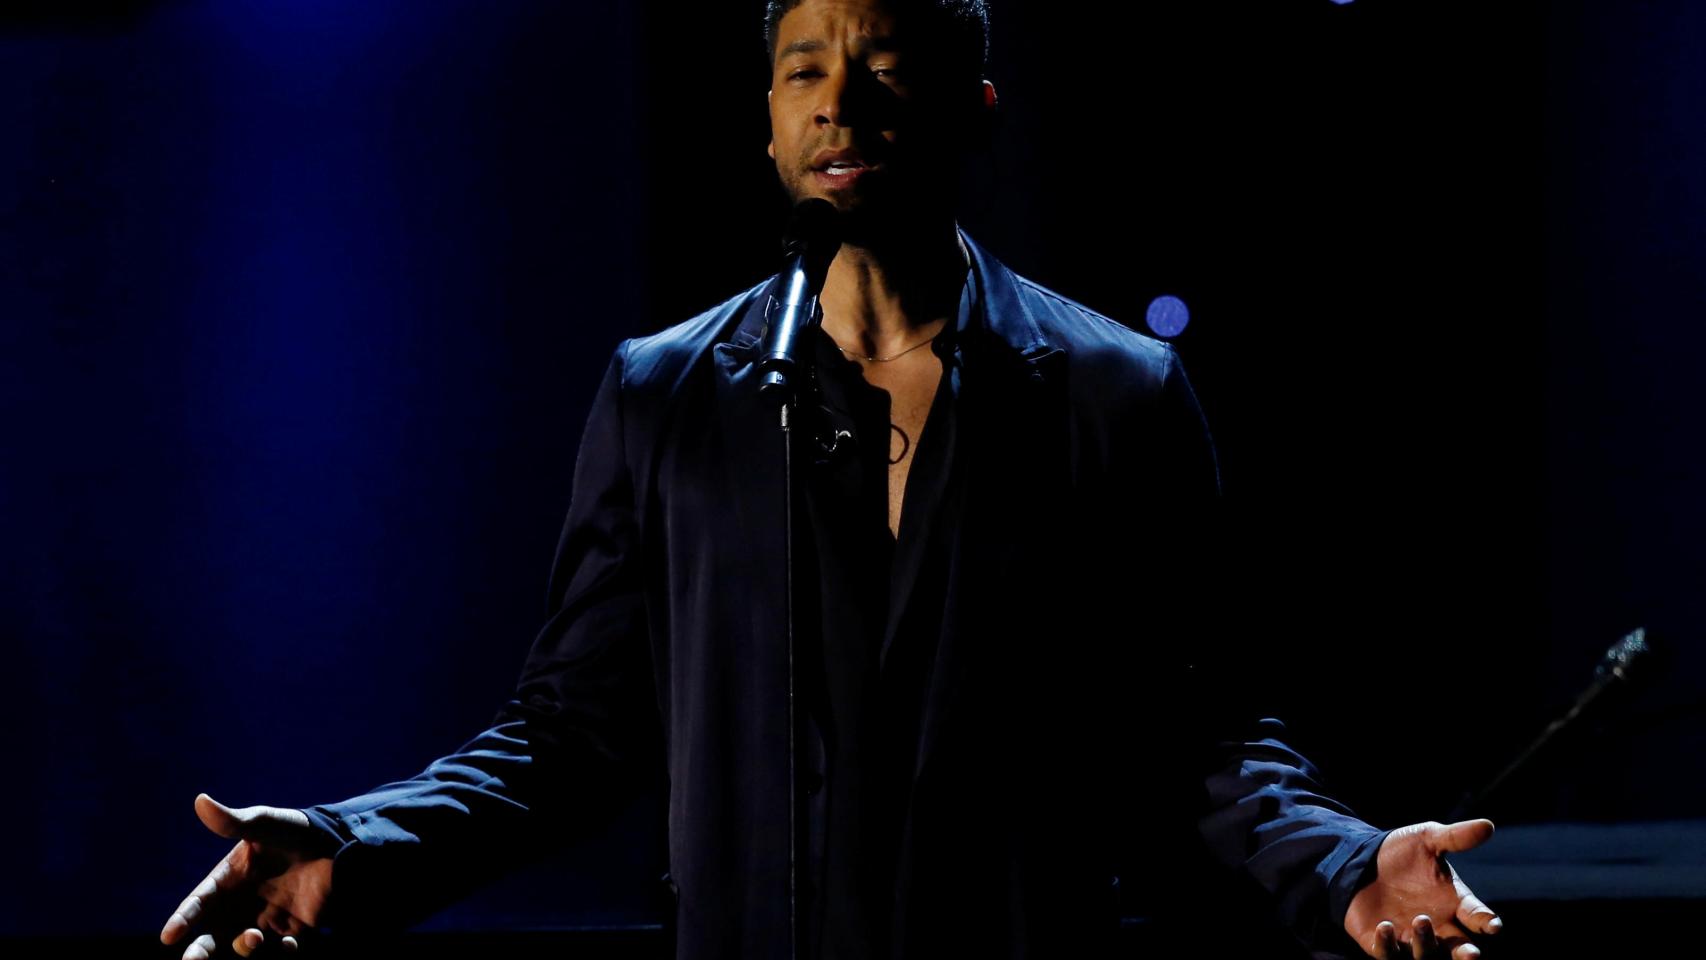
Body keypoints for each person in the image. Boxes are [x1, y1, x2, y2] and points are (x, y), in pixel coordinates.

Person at [159, 1, 1506, 958]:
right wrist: (358, 841)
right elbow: (570, 733)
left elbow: (1199, 732)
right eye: (802, 66)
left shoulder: (1112, 392)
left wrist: (1344, 866)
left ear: (971, 103)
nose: (837, 99)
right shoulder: (663, 391)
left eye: (883, 63)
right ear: (764, 121)